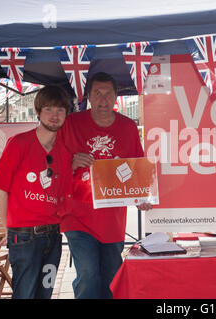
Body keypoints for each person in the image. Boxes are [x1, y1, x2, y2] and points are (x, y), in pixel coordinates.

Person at [58, 72, 153, 299]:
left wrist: (142, 196)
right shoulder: (70, 124)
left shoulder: (128, 127)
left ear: (115, 97)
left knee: (111, 276)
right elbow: (49, 164)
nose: (102, 100)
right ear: (89, 96)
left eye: (107, 94)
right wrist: (69, 163)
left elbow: (137, 170)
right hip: (77, 217)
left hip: (113, 219)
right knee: (88, 274)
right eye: (97, 94)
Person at [0, 85, 72, 299]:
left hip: (53, 236)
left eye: (60, 110)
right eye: (48, 109)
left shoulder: (63, 152)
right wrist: (7, 230)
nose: (54, 115)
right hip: (24, 236)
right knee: (25, 295)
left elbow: (61, 194)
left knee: (45, 294)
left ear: (66, 114)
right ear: (38, 111)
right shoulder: (19, 143)